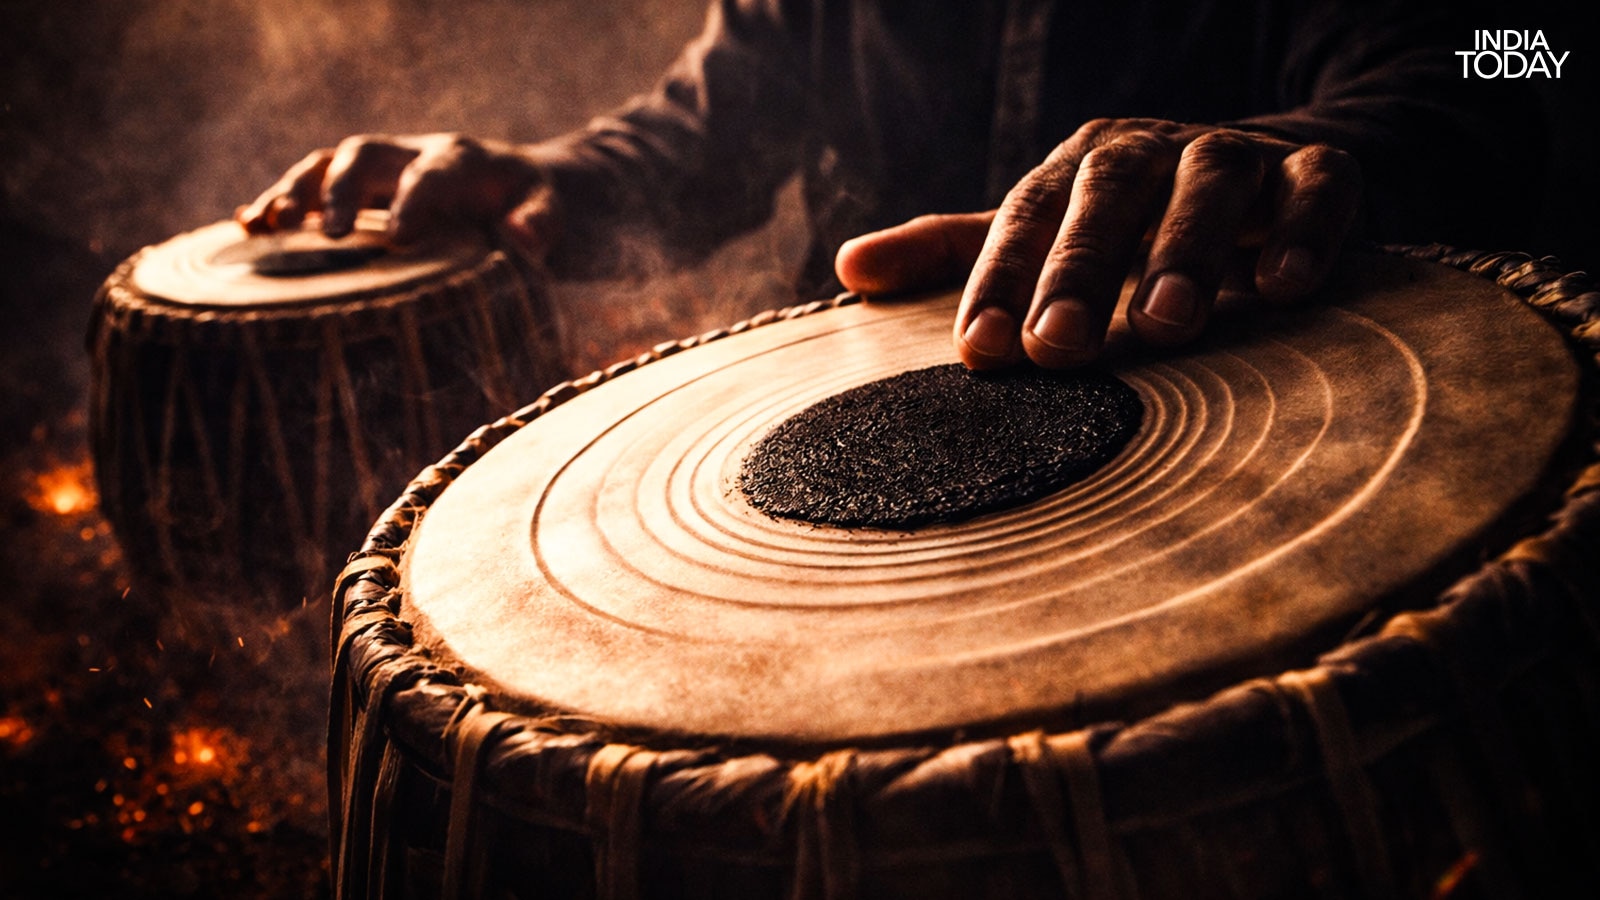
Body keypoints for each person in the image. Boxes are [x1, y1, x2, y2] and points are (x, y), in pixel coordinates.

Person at [240, 0, 1537, 371]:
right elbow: (715, 121)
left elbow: (1529, 52)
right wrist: (548, 178)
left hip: (1213, 434)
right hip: (862, 458)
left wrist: (1312, 149)